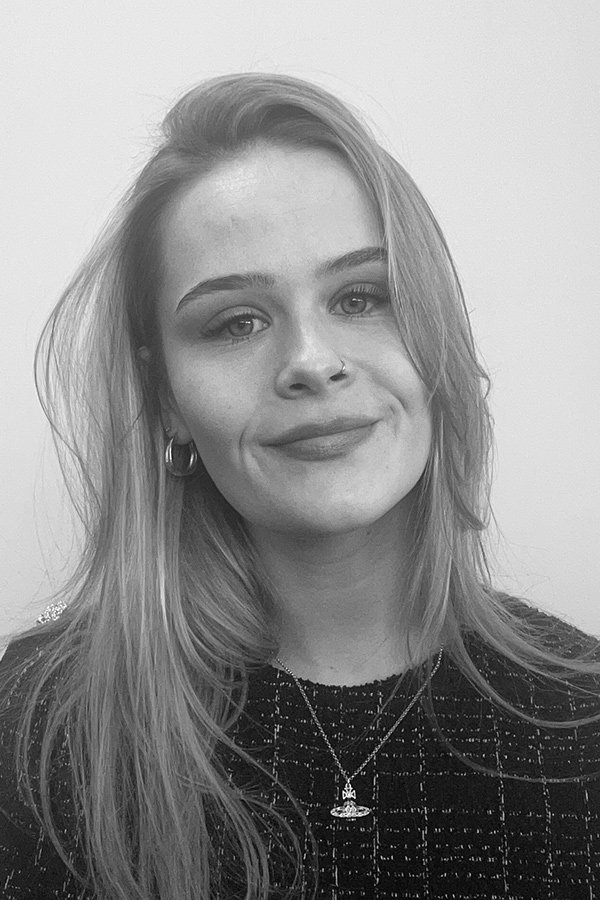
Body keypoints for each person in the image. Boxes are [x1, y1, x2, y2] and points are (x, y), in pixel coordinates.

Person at [1, 72, 599, 900]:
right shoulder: (42, 722)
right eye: (236, 322)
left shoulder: (582, 713)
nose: (312, 362)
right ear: (165, 396)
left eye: (361, 296)